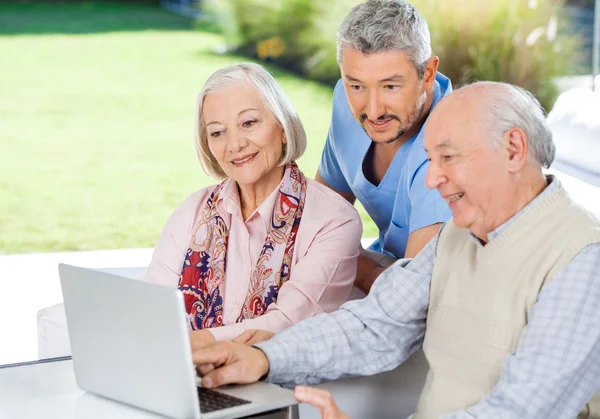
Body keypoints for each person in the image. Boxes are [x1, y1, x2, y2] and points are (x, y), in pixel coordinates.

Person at [191, 82, 600, 419]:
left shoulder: (583, 257)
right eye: (430, 159)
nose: (432, 179)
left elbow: (521, 411)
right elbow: (376, 325)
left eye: (448, 158)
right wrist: (262, 357)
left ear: (513, 149)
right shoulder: (459, 236)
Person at [142, 63, 362, 351]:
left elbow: (288, 323)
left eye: (249, 123)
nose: (234, 144)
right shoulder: (193, 212)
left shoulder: (333, 220)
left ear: (282, 128)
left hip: (281, 386)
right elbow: (151, 308)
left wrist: (193, 343)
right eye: (218, 132)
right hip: (185, 378)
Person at [316, 0, 453, 293]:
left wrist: (341, 259)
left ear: (427, 74)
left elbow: (410, 297)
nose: (374, 111)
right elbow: (319, 218)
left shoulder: (449, 147)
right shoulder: (346, 102)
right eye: (357, 85)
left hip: (442, 296)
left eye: (390, 86)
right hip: (380, 267)